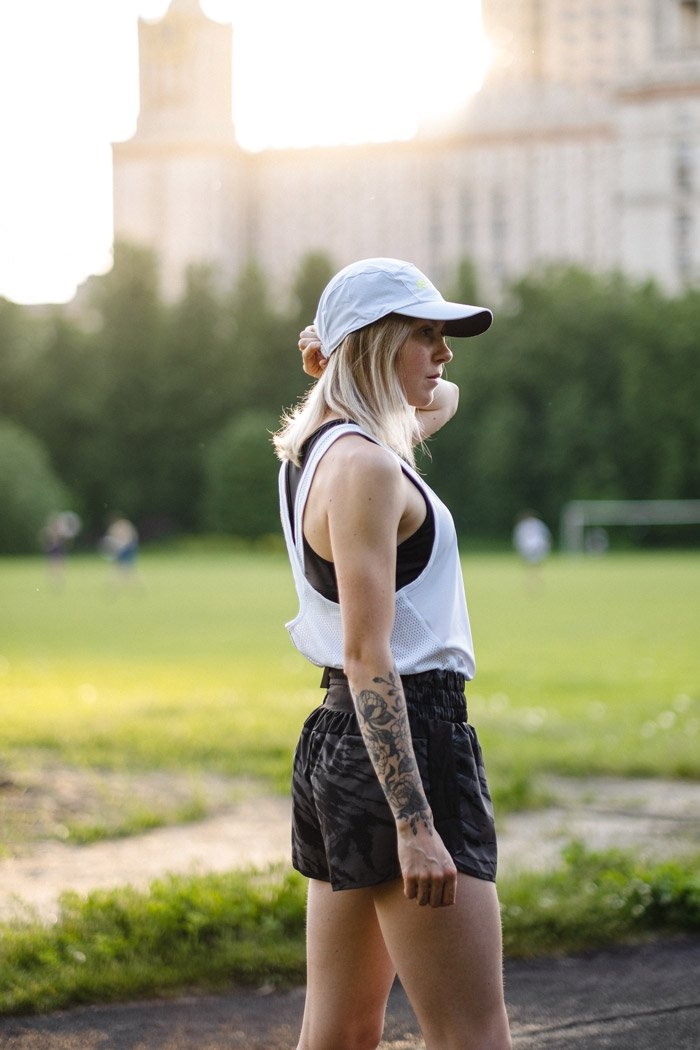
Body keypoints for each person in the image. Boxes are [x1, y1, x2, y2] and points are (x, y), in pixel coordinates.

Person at [274, 258, 512, 1049]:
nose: (444, 354)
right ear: (374, 344)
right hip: (407, 736)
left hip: (340, 739)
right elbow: (368, 654)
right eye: (426, 335)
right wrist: (415, 822)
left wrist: (332, 361)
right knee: (473, 1034)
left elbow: (445, 396)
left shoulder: (319, 450)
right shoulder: (369, 467)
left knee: (339, 1031)